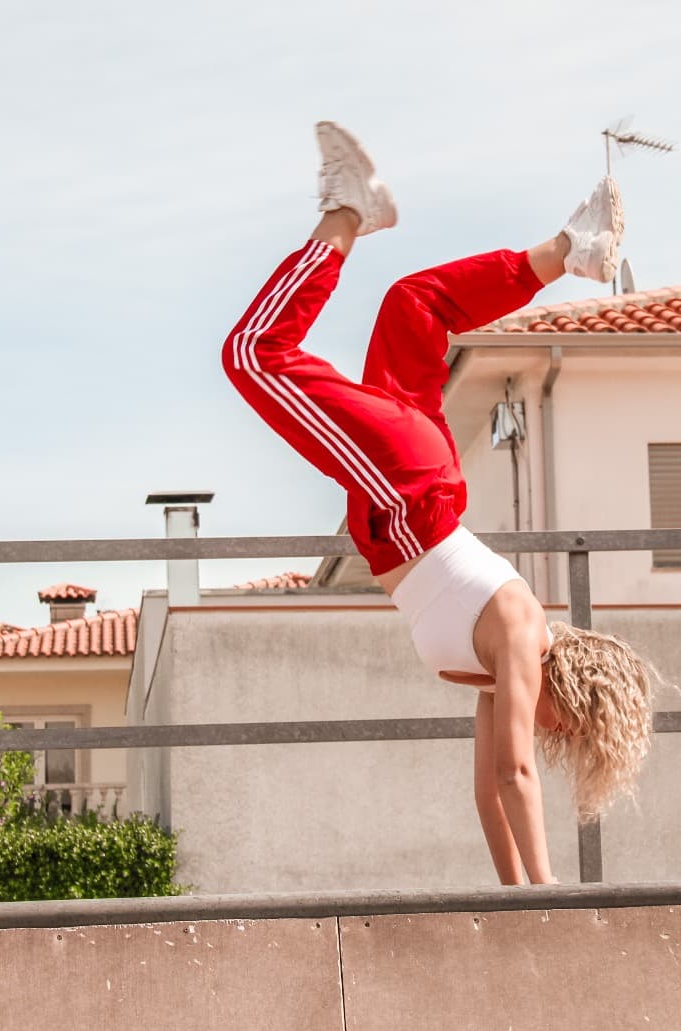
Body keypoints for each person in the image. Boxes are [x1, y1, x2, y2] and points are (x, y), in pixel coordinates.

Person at [222, 122, 655, 886]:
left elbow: (490, 792)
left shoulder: (499, 668)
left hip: (405, 499)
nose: (554, 740)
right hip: (408, 498)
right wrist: (551, 899)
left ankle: (568, 252)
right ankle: (346, 213)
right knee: (255, 355)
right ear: (576, 701)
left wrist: (515, 895)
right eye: (572, 732)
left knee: (411, 305)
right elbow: (519, 774)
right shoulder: (524, 637)